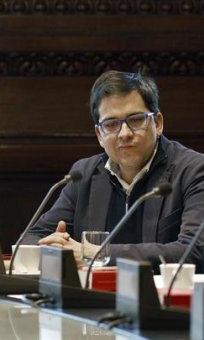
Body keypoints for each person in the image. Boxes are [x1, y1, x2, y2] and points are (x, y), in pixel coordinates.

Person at [24, 70, 204, 270]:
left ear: (158, 123)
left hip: (164, 298)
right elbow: (32, 238)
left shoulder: (194, 170)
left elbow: (194, 251)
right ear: (99, 134)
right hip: (94, 298)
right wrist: (56, 248)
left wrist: (98, 254)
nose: (124, 134)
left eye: (135, 120)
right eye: (111, 124)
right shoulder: (84, 174)